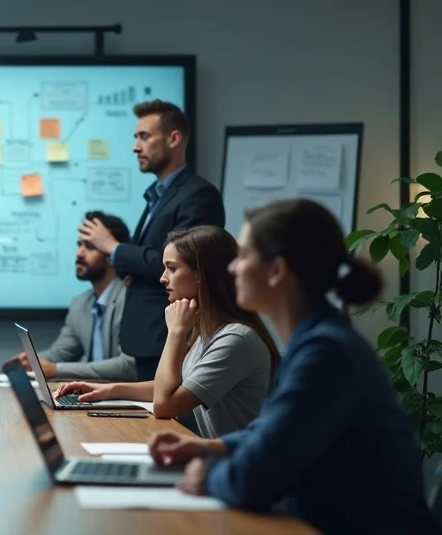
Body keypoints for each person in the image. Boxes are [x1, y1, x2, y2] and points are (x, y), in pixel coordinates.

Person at [147, 199, 439, 535]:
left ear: (277, 271)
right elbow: (275, 431)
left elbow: (252, 479)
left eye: (244, 256)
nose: (232, 269)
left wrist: (208, 473)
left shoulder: (325, 354)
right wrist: (212, 446)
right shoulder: (317, 341)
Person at [58, 225, 279, 438]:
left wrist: (176, 331)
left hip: (235, 462)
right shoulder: (209, 332)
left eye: (172, 269)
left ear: (202, 274)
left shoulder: (235, 339)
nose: (162, 278)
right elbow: (173, 387)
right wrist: (107, 390)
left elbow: (165, 405)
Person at [79, 100, 225, 381]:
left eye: (144, 137)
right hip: (149, 336)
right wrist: (131, 265)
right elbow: (151, 259)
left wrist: (112, 247)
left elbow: (179, 263)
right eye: (136, 137)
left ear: (174, 138)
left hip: (170, 332)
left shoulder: (198, 194)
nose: (136, 147)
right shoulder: (156, 196)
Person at [5, 211, 135, 381]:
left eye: (90, 247)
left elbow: (128, 367)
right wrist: (32, 362)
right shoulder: (80, 303)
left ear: (112, 255)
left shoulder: (131, 300)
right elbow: (62, 352)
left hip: (122, 394)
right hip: (91, 392)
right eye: (79, 245)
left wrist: (56, 370)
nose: (79, 253)